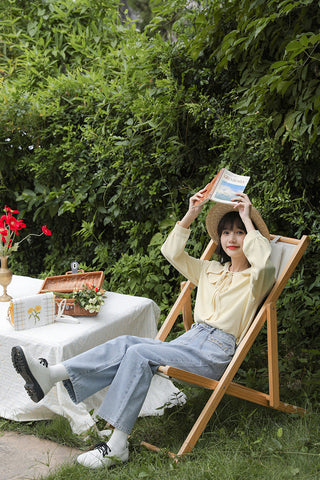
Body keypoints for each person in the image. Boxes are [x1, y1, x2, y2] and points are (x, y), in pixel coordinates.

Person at [11, 189, 275, 469]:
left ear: (250, 236)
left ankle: (116, 445)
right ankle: (51, 375)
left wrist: (248, 218)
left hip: (215, 351)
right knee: (127, 342)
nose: (232, 238)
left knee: (138, 355)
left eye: (239, 232)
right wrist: (191, 214)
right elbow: (171, 251)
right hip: (191, 340)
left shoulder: (255, 279)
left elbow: (265, 263)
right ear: (219, 239)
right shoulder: (210, 269)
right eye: (226, 233)